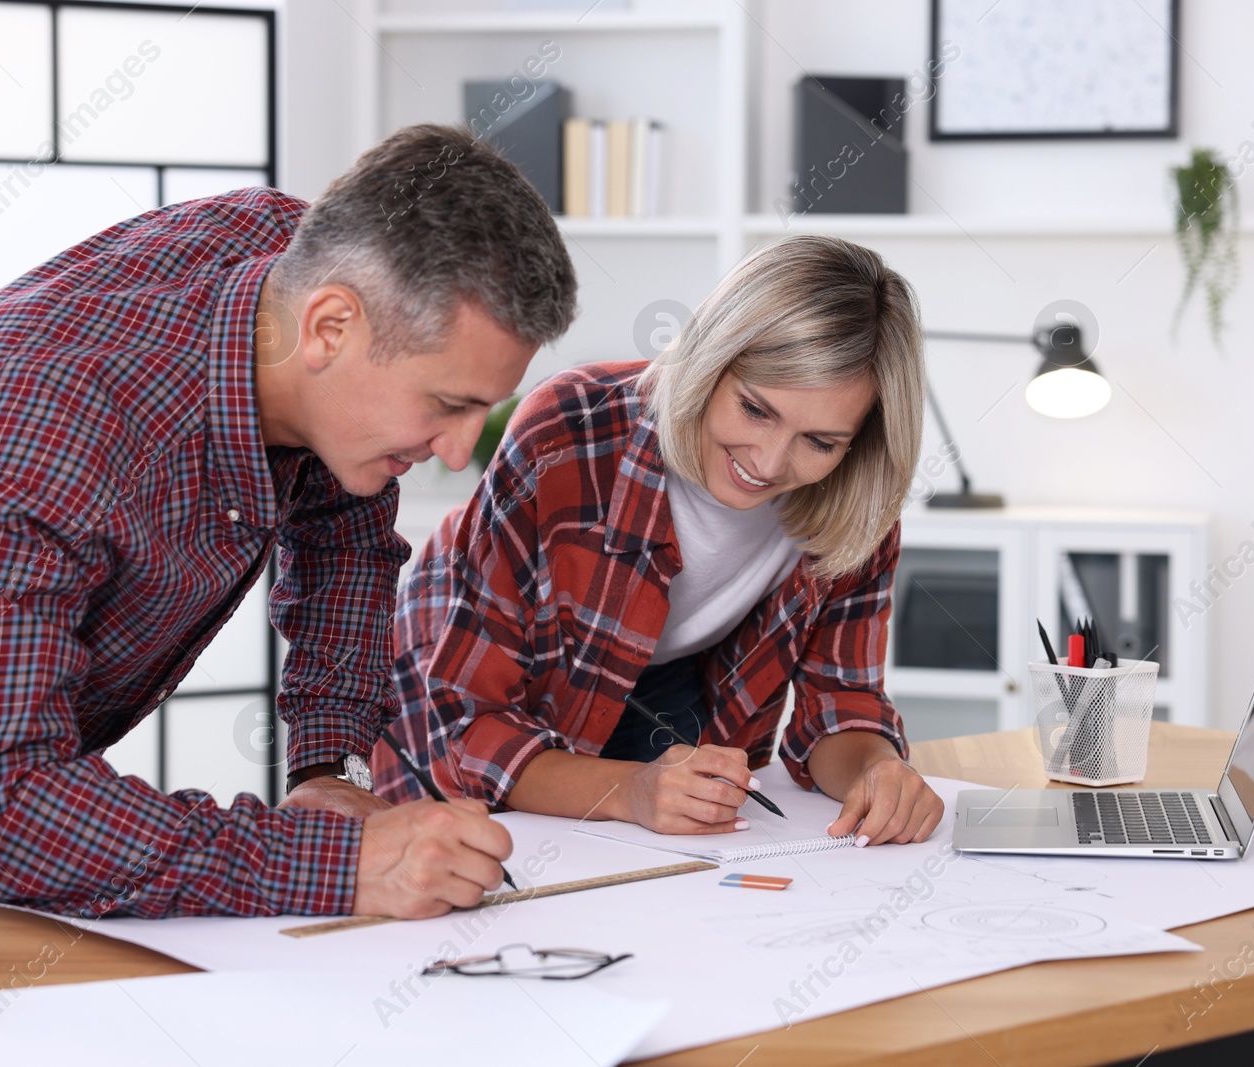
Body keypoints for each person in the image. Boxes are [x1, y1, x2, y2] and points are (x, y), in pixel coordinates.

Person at [0, 124, 577, 920]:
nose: (462, 452)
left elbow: (343, 527)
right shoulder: (19, 448)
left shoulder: (295, 266)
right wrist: (339, 866)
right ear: (331, 328)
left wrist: (323, 769)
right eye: (447, 405)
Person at [375, 234, 944, 845]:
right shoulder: (567, 431)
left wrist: (878, 768)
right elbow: (464, 727)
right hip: (464, 667)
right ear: (711, 358)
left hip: (663, 683)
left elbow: (840, 703)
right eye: (756, 409)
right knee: (449, 872)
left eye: (821, 442)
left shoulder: (856, 503)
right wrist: (628, 791)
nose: (770, 462)